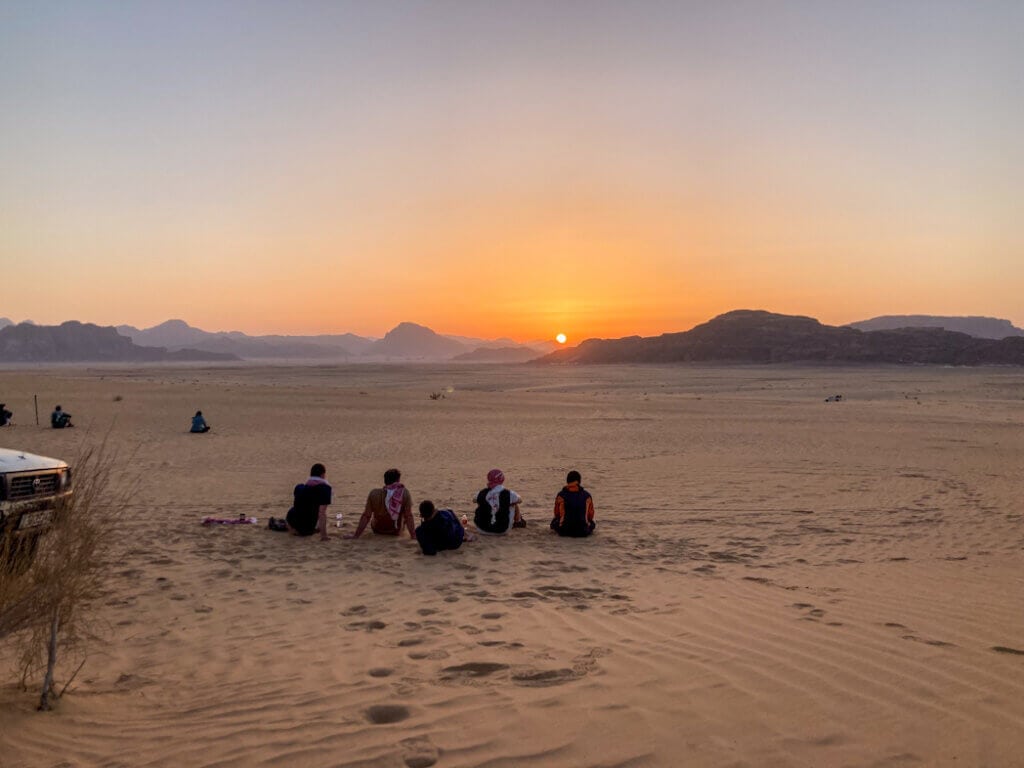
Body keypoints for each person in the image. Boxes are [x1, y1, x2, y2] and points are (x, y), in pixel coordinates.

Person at [346, 468, 415, 539]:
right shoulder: (404, 493)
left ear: (385, 480)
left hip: (377, 529)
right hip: (395, 531)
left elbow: (366, 516)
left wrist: (356, 535)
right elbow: (408, 516)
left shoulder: (374, 493)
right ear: (398, 481)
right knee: (405, 515)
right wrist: (413, 536)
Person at [285, 463, 331, 540]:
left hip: (294, 521)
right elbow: (321, 513)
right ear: (323, 475)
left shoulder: (299, 487)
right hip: (309, 526)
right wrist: (324, 536)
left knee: (295, 509)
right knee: (320, 513)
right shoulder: (325, 489)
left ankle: (292, 529)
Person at [472, 469, 523, 535]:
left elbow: (474, 500)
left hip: (482, 530)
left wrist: (490, 499)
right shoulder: (509, 493)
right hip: (502, 530)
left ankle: (485, 521)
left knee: (480, 501)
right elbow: (520, 500)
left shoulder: (481, 493)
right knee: (513, 503)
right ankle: (518, 522)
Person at [550, 470, 596, 537]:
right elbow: (590, 516)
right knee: (592, 523)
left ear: (567, 482)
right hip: (582, 531)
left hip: (564, 531)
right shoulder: (587, 496)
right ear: (579, 482)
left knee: (554, 522)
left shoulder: (561, 495)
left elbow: (557, 514)